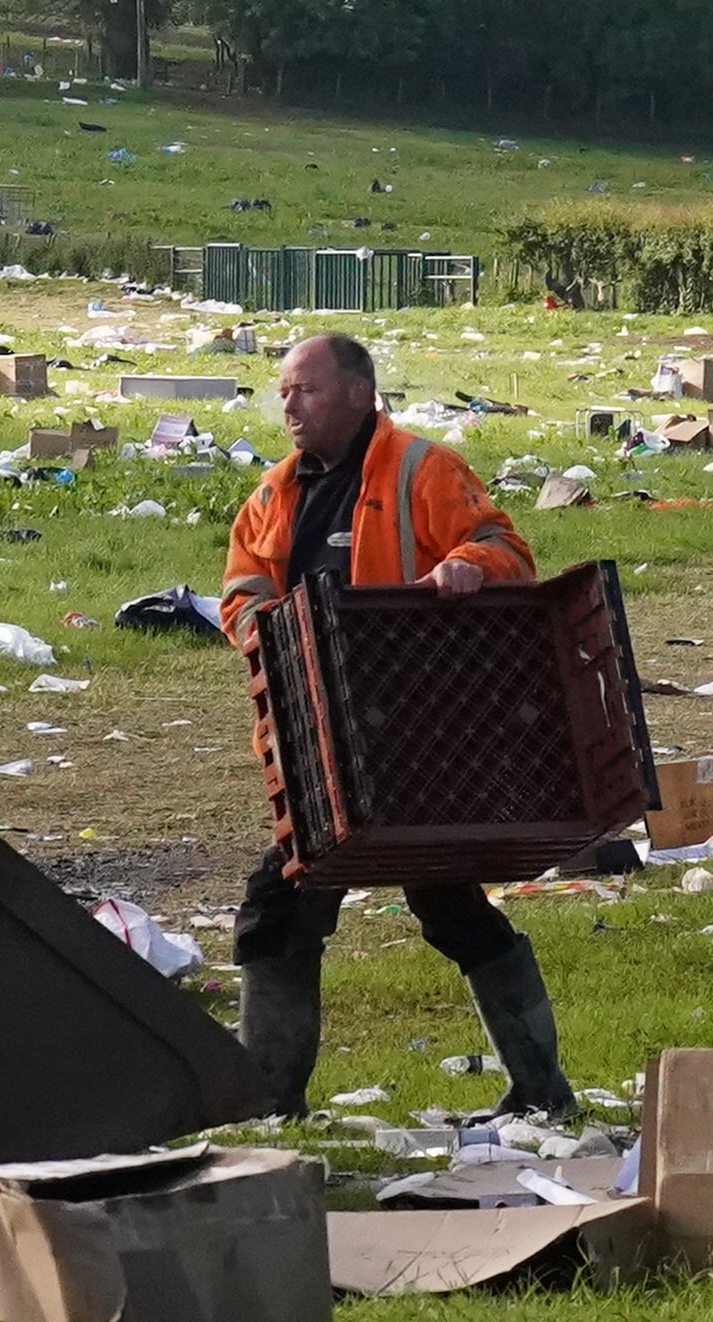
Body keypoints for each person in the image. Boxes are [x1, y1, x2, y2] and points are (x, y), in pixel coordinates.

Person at [216, 331, 570, 1118]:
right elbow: (239, 595)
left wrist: (471, 566)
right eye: (282, 390)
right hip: (323, 747)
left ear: (356, 391)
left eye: (304, 389)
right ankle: (274, 1105)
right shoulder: (273, 495)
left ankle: (273, 1107)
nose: (288, 404)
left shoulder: (422, 469)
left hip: (422, 738)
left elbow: (506, 545)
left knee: (428, 902)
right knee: (295, 903)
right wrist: (268, 630)